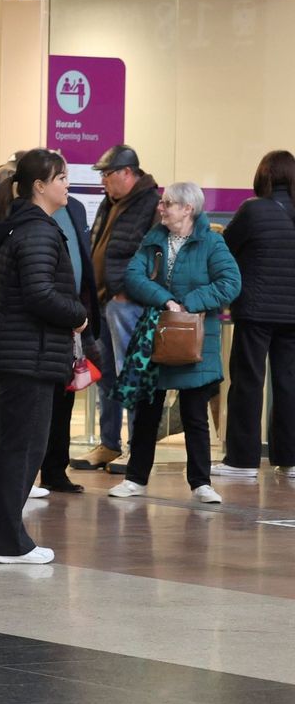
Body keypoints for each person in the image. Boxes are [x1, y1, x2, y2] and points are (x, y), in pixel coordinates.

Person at [0, 150, 90, 564]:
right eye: (60, 178)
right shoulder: (38, 230)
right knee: (21, 448)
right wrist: (78, 314)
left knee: (5, 445)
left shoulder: (19, 224)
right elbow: (39, 293)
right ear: (39, 186)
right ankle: (7, 541)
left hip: (7, 352)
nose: (66, 185)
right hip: (26, 357)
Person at [111, 182, 241, 505]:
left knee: (194, 414)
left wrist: (189, 303)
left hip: (197, 342)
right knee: (147, 412)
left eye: (168, 203)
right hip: (157, 337)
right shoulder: (154, 239)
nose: (161, 208)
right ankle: (135, 479)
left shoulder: (212, 243)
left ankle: (201, 483)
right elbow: (133, 276)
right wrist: (167, 300)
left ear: (188, 209)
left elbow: (230, 283)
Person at [74, 146, 161, 474]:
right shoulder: (112, 203)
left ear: (127, 173)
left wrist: (128, 292)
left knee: (132, 376)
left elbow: (154, 256)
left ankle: (136, 450)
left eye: (107, 175)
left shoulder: (151, 203)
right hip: (102, 304)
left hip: (128, 305)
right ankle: (110, 444)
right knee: (106, 377)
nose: (103, 181)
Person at [217, 150, 295, 479]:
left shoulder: (252, 210)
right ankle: (289, 460)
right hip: (292, 315)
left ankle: (242, 461)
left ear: (263, 175)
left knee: (248, 382)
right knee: (289, 383)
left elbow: (226, 248)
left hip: (256, 310)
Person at [39, 174, 100, 494]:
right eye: (60, 177)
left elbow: (84, 260)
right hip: (42, 316)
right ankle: (28, 469)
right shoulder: (25, 212)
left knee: (65, 396)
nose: (67, 183)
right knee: (39, 398)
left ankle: (54, 469)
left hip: (74, 317)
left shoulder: (75, 208)